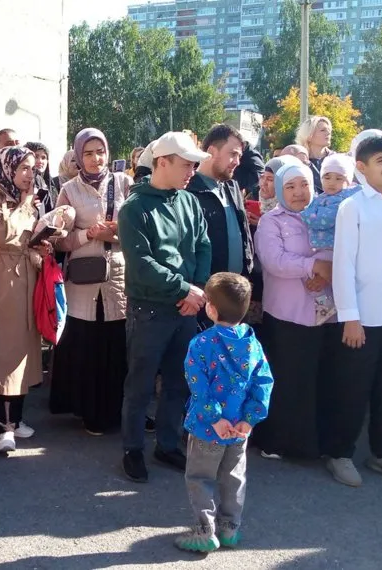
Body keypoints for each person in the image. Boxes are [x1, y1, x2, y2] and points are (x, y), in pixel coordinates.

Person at [118, 131, 212, 483]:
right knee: (140, 384)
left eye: (194, 165)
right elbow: (141, 264)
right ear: (162, 162)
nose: (192, 171)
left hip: (185, 307)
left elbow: (203, 245)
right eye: (186, 164)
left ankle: (167, 443)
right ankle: (132, 449)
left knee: (178, 381)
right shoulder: (134, 208)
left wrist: (196, 290)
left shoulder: (189, 202)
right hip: (150, 310)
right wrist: (187, 289)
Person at [174, 272, 273, 553]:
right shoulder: (253, 344)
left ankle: (205, 531)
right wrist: (249, 419)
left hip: (207, 428)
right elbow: (264, 382)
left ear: (211, 309)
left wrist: (214, 417)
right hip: (239, 429)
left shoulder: (201, 344)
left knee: (200, 478)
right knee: (233, 478)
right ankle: (230, 528)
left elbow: (198, 386)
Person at [252, 162, 338, 461]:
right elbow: (274, 261)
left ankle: (312, 445)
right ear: (279, 190)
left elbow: (339, 249)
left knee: (317, 380)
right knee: (287, 380)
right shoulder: (271, 222)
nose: (299, 192)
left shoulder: (325, 217)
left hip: (324, 313)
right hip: (287, 315)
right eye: (290, 186)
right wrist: (313, 266)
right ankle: (277, 442)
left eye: (304, 185)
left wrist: (326, 270)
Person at [49, 128, 131, 435]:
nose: (96, 158)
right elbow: (59, 239)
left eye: (100, 151)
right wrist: (87, 234)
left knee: (116, 345)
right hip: (83, 280)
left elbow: (137, 230)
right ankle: (89, 411)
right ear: (78, 156)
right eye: (88, 153)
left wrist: (113, 234)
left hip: (117, 277)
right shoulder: (69, 190)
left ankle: (117, 410)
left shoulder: (123, 183)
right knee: (88, 346)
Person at [0, 146, 50, 452]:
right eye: (24, 168)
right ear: (8, 169)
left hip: (25, 276)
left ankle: (14, 419)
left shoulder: (25, 201)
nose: (30, 175)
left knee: (22, 351)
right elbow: (2, 232)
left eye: (33, 168)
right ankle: (0, 424)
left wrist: (42, 245)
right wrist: (26, 205)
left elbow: (26, 238)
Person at [329, 135, 382, 486]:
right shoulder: (353, 207)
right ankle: (340, 454)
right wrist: (350, 316)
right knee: (353, 389)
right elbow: (343, 265)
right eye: (381, 160)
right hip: (363, 317)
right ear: (362, 168)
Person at [186, 125, 253, 281]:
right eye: (233, 154)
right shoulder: (189, 191)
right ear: (211, 152)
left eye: (239, 156)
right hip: (205, 288)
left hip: (238, 286)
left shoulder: (232, 187)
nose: (237, 162)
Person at [300, 154, 357, 250]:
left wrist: (305, 214)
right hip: (323, 248)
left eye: (339, 178)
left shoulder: (343, 200)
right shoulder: (323, 196)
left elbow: (325, 219)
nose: (332, 182)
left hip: (335, 249)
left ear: (348, 182)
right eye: (327, 178)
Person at [295, 116, 334, 194]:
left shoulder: (337, 159)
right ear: (309, 135)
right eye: (323, 130)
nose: (328, 133)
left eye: (329, 130)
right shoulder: (297, 162)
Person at [25, 141, 58, 214]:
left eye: (43, 158)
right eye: (36, 157)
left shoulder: (50, 185)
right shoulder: (23, 182)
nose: (40, 161)